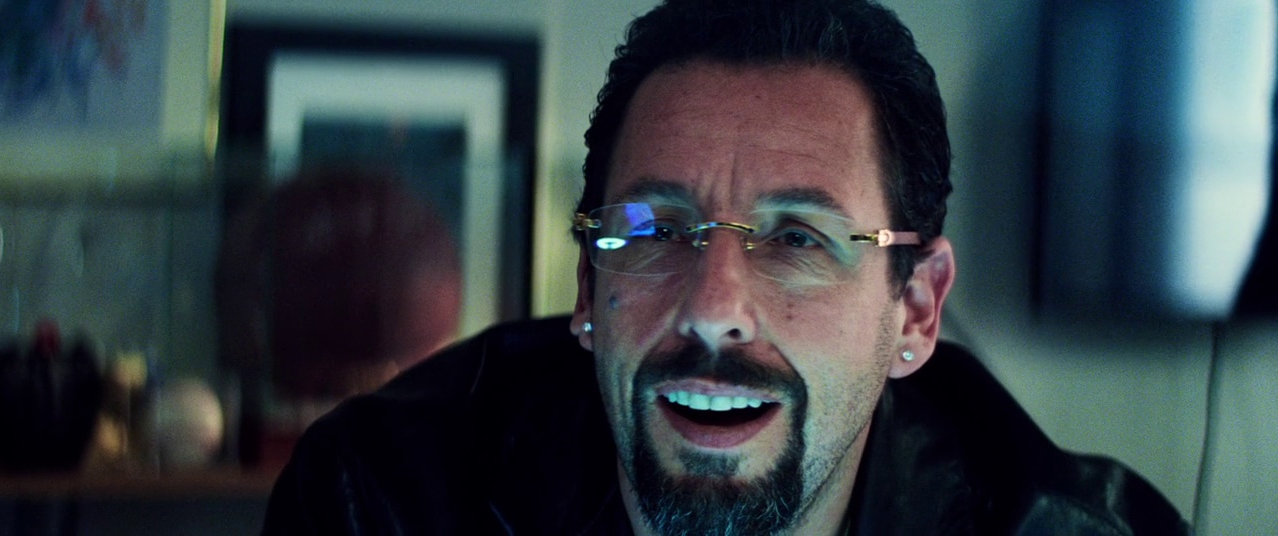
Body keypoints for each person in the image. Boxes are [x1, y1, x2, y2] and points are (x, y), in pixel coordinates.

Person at [261, 1, 1189, 534]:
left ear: (913, 309)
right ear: (587, 287)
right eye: (657, 229)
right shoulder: (378, 502)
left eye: (798, 239)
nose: (713, 307)